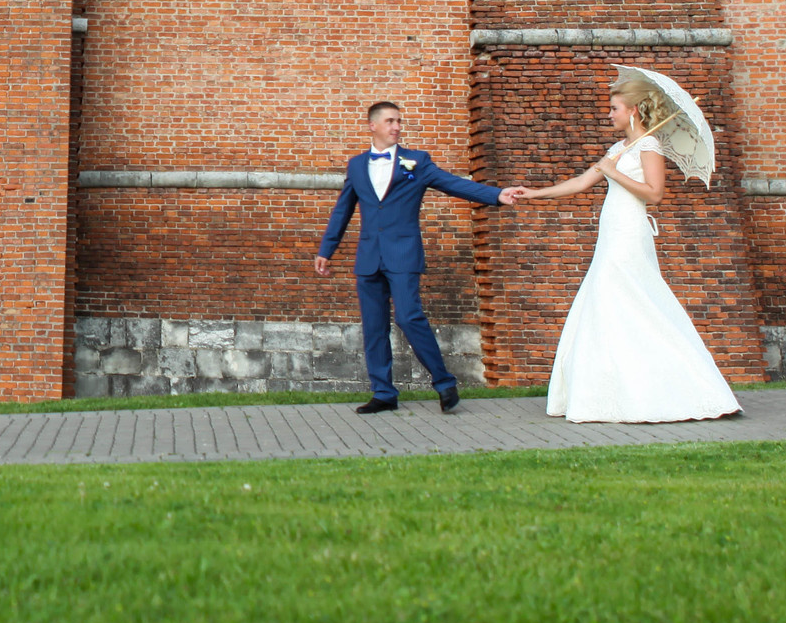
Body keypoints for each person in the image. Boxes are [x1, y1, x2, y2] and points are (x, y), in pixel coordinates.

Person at [516, 69, 742, 423]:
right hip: (611, 232)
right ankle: (610, 393)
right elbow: (580, 183)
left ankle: (681, 390)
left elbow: (654, 195)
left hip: (630, 233)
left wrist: (614, 172)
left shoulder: (650, 146)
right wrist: (535, 193)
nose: (609, 114)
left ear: (633, 110)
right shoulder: (618, 149)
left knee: (627, 297)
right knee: (607, 301)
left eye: (614, 108)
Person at [314, 101, 528, 415]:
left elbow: (453, 184)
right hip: (369, 257)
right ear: (373, 125)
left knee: (408, 317)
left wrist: (496, 195)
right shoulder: (357, 165)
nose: (396, 127)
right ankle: (383, 393)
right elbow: (343, 209)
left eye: (399, 121)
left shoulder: (416, 161)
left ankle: (443, 382)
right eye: (390, 121)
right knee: (374, 327)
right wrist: (326, 250)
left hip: (403, 256)